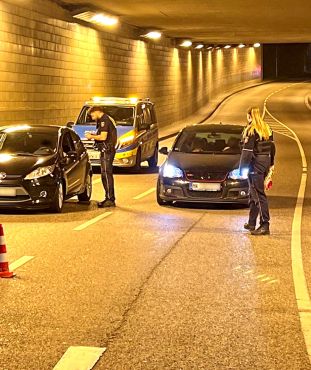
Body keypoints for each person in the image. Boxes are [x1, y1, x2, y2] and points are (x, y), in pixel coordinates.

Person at [239, 107, 275, 235]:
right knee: (253, 193)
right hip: (264, 164)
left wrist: (241, 169)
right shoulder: (267, 128)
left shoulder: (251, 130)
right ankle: (252, 222)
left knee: (259, 195)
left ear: (249, 116)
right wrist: (271, 165)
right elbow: (272, 148)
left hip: (255, 166)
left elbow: (247, 152)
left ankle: (265, 224)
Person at [85, 106, 117, 208]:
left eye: (92, 115)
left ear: (97, 112)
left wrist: (91, 137)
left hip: (107, 150)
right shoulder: (104, 120)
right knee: (104, 174)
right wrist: (94, 134)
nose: (92, 117)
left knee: (106, 174)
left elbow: (103, 137)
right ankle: (108, 198)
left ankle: (110, 199)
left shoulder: (104, 120)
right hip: (106, 150)